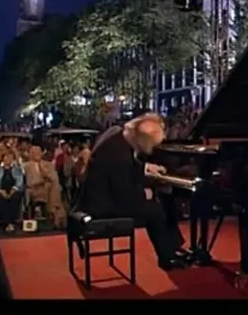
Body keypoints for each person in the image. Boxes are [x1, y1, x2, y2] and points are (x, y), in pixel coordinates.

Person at [75, 113, 189, 271]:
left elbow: (129, 166)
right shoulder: (120, 156)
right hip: (102, 206)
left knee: (160, 201)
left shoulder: (118, 135)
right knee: (154, 210)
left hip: (100, 195)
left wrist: (146, 167)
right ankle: (166, 258)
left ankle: (172, 247)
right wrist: (144, 194)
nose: (150, 150)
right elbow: (123, 194)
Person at [0, 151, 24, 233]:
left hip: (14, 190)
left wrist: (13, 190)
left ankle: (9, 223)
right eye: (6, 156)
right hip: (0, 190)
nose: (8, 159)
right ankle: (7, 223)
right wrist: (1, 191)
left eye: (10, 157)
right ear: (3, 158)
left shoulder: (17, 169)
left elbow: (20, 181)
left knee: (15, 198)